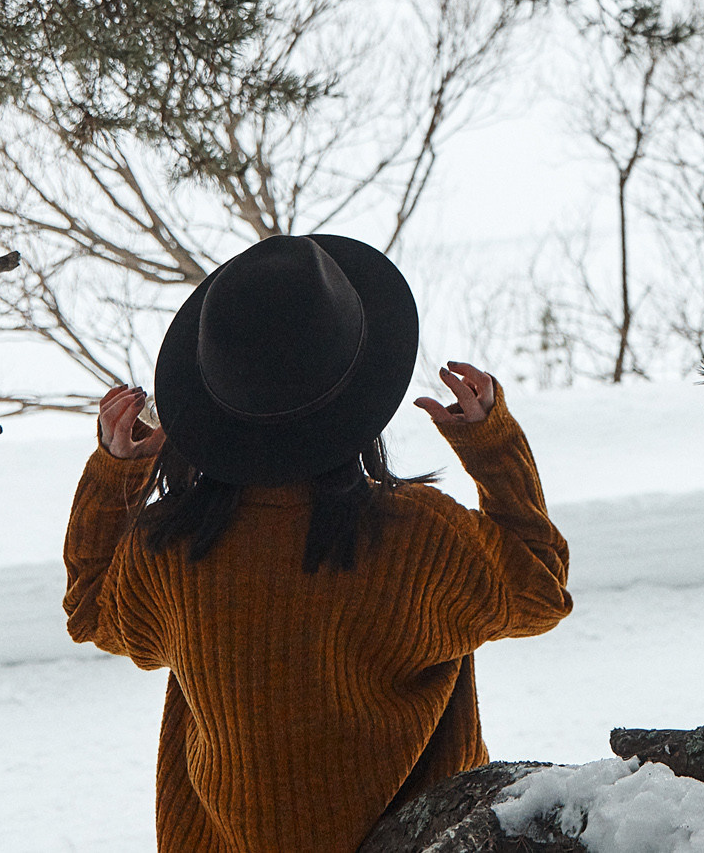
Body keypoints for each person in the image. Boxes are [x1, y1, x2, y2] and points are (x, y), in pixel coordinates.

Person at [62, 232, 571, 853]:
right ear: (359, 397)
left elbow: (89, 608)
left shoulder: (171, 550)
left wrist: (117, 474)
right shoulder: (421, 537)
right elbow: (542, 591)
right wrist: (491, 444)